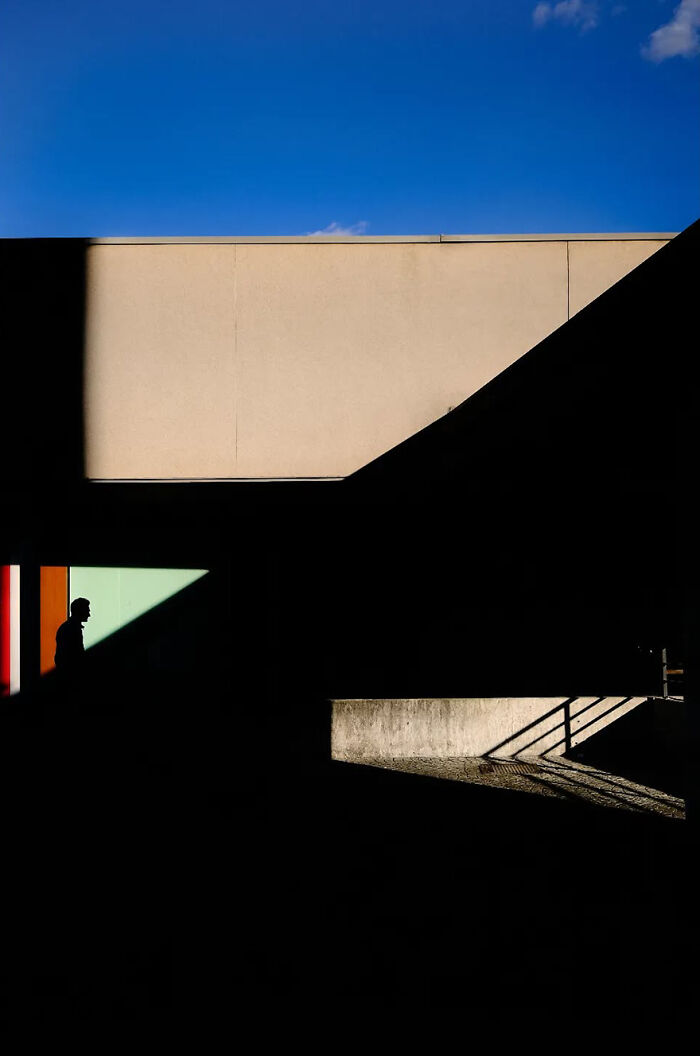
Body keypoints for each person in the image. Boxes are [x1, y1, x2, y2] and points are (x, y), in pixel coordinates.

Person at [55, 597, 91, 673]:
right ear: (80, 611)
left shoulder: (69, 627)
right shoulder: (73, 629)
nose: (89, 615)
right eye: (87, 611)